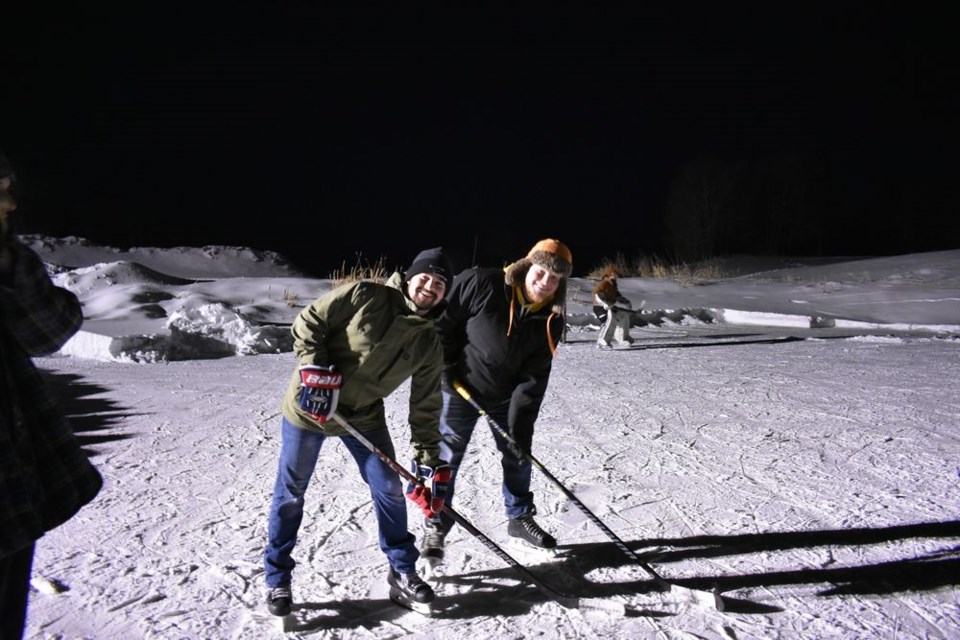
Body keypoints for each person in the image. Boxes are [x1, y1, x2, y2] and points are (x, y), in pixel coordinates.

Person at [263, 247, 455, 616]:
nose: (429, 287)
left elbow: (425, 405)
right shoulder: (366, 294)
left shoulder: (429, 341)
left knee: (389, 488)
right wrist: (315, 371)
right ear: (410, 276)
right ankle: (277, 578)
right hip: (311, 408)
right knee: (291, 492)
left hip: (363, 416)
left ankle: (402, 569)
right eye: (425, 277)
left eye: (439, 284)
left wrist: (428, 459)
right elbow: (309, 321)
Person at [0, 150, 103, 639]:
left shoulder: (6, 265)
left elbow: (48, 329)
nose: (12, 205)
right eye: (1, 190)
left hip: (9, 500)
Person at [422, 238, 573, 562]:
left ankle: (519, 517)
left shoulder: (551, 319)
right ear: (527, 265)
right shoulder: (482, 283)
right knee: (446, 458)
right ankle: (436, 521)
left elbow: (534, 379)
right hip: (459, 387)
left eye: (555, 278)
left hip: (505, 396)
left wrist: (520, 428)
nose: (545, 282)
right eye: (541, 272)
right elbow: (442, 325)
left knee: (518, 452)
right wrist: (444, 367)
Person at [592, 266, 634, 347]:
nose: (615, 276)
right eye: (613, 274)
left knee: (622, 317)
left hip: (610, 307)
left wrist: (627, 302)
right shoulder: (603, 283)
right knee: (607, 321)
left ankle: (623, 339)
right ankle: (603, 342)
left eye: (616, 274)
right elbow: (596, 294)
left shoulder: (613, 285)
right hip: (599, 307)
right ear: (608, 275)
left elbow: (618, 297)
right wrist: (604, 303)